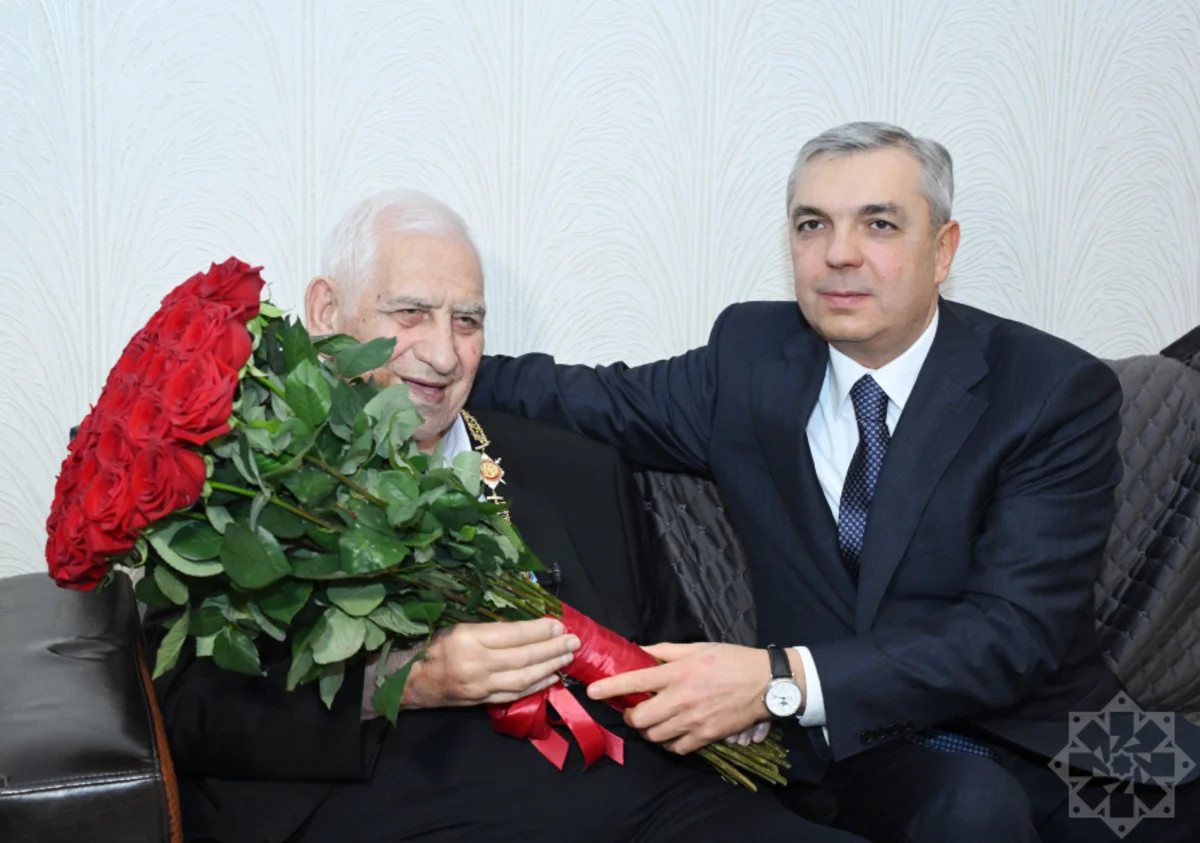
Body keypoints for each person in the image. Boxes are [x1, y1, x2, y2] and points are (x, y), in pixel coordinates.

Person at [467, 122, 1200, 842]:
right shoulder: (749, 359)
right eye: (812, 224)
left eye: (879, 224)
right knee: (972, 809)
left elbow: (1014, 632)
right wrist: (433, 362)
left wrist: (779, 677)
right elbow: (580, 398)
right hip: (860, 746)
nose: (839, 254)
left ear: (943, 249)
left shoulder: (1048, 389)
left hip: (1058, 732)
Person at [149, 189, 862, 843]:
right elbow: (185, 709)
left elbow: (671, 648)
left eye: (467, 321)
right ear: (328, 312)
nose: (443, 354)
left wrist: (732, 709)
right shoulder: (249, 476)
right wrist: (407, 679)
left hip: (649, 798)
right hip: (384, 801)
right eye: (410, 313)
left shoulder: (575, 469)